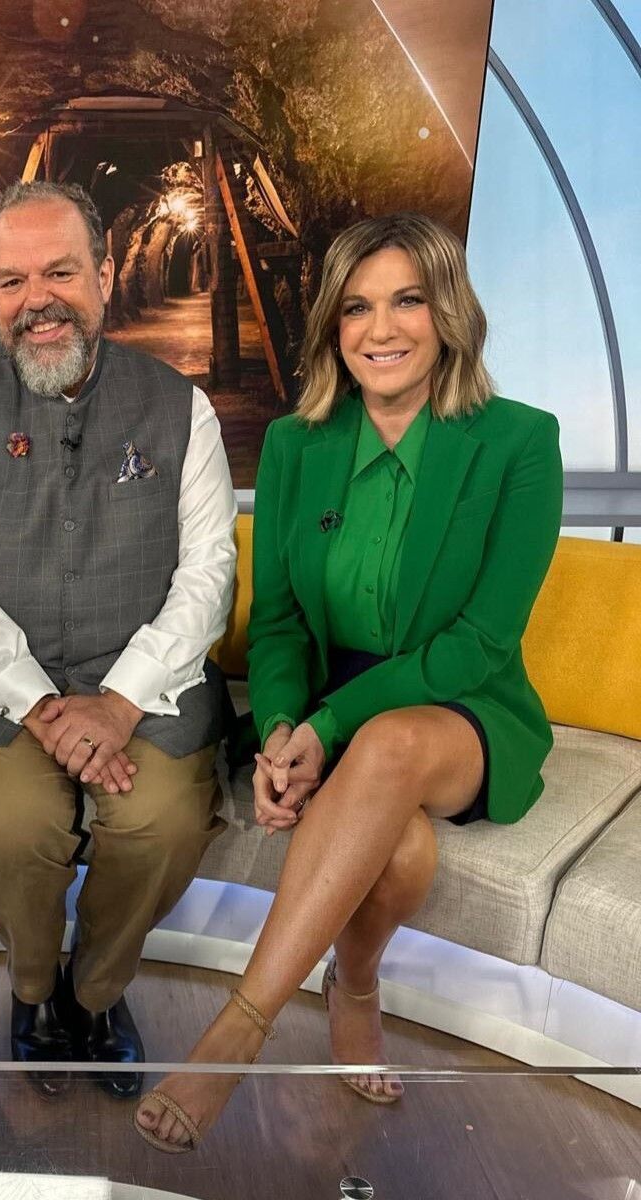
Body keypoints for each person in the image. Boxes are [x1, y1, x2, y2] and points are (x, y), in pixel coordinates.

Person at [133, 212, 562, 1151]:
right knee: (399, 852)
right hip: (328, 699)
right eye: (357, 307)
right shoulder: (298, 444)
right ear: (333, 326)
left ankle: (237, 1031)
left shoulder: (521, 442)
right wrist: (284, 725)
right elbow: (280, 622)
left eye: (408, 301)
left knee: (391, 744)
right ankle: (355, 984)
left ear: (450, 314)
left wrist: (328, 729)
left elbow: (479, 643)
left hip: (458, 703)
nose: (381, 329)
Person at [0, 181, 237, 1099]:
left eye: (60, 272)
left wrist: (118, 704)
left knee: (160, 820)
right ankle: (34, 989)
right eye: (12, 281)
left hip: (147, 691)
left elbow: (209, 577)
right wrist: (44, 707)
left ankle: (95, 992)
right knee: (14, 828)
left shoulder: (181, 408)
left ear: (106, 276)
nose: (36, 300)